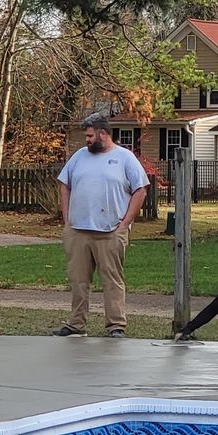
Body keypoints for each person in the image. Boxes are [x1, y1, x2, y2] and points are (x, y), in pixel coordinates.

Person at [54, 112, 149, 337]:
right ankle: (76, 325)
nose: (86, 140)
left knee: (111, 280)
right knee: (78, 281)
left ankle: (116, 325)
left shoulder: (125, 158)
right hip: (78, 231)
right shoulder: (78, 156)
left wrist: (126, 222)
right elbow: (64, 185)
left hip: (110, 231)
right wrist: (67, 219)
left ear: (103, 134)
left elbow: (140, 190)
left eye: (89, 136)